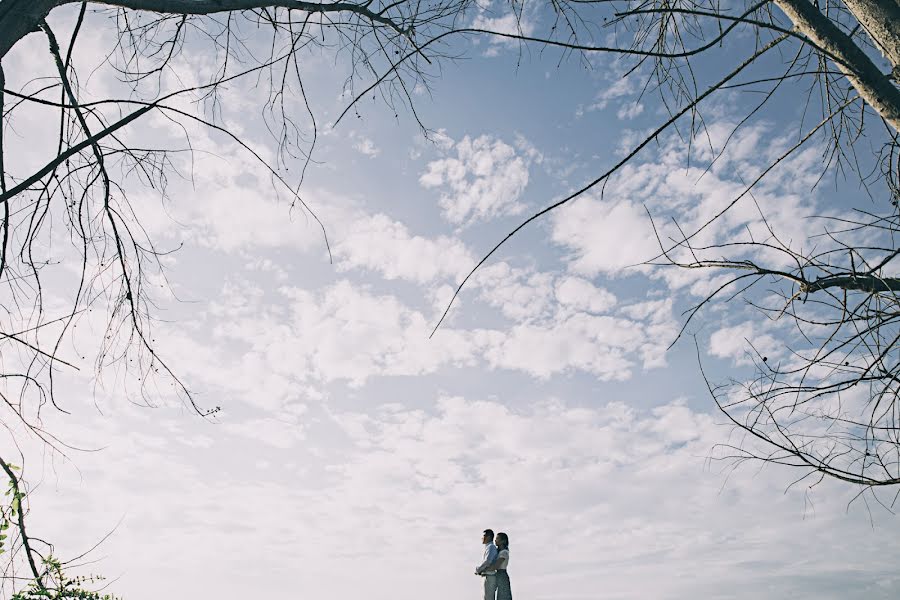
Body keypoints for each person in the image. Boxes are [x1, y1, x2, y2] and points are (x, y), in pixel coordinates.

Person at [474, 529, 498, 600]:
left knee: (488, 598)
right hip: (487, 576)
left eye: (483, 536)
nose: (482, 538)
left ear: (488, 537)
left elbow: (487, 561)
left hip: (489, 576)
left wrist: (478, 569)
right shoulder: (489, 547)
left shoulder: (491, 547)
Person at [492, 532, 512, 600]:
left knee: (503, 596)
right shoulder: (499, 552)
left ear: (503, 541)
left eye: (497, 539)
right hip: (498, 574)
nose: (495, 540)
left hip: (502, 575)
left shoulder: (504, 552)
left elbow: (496, 566)